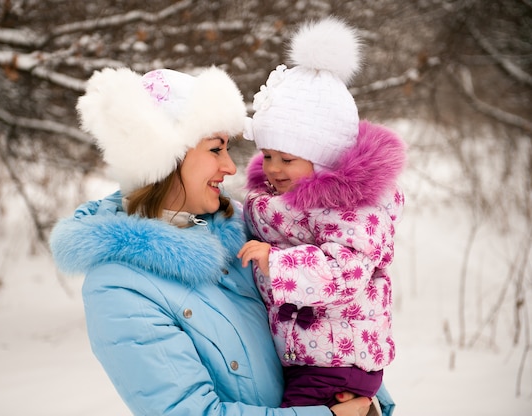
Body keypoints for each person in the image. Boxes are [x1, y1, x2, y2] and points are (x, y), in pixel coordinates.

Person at [49, 63, 395, 415]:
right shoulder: (120, 288)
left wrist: (365, 397)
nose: (231, 167)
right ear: (165, 157)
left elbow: (324, 315)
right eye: (216, 149)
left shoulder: (240, 224)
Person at [237, 18, 406, 410]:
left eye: (288, 158)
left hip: (337, 361)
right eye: (267, 155)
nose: (274, 168)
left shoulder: (351, 207)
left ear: (324, 159)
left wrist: (277, 262)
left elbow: (344, 272)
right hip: (314, 355)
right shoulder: (280, 203)